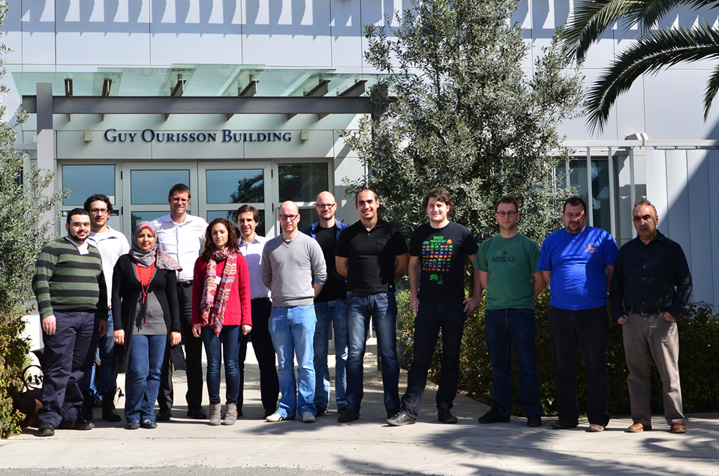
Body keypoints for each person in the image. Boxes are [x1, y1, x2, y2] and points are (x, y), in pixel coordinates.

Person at [387, 188, 479, 426]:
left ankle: (445, 407)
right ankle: (408, 411)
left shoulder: (462, 233)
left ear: (448, 207)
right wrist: (414, 295)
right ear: (426, 208)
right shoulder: (419, 234)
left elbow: (478, 266)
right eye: (431, 205)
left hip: (453, 305)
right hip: (427, 305)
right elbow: (413, 266)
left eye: (439, 205)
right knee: (420, 359)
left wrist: (476, 296)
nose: (435, 209)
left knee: (451, 359)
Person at [609, 199, 692, 434]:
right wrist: (617, 314)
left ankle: (676, 419)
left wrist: (674, 313)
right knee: (636, 375)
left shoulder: (671, 249)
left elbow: (685, 284)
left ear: (656, 219)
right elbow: (616, 287)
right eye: (637, 218)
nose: (642, 222)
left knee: (669, 372)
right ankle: (641, 420)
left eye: (646, 217)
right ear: (633, 223)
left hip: (662, 321)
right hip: (633, 321)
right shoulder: (626, 251)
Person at [538, 196, 618, 432]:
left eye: (578, 214)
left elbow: (614, 270)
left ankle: (597, 418)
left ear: (585, 215)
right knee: (564, 366)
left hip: (593, 312)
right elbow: (545, 273)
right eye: (570, 214)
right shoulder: (552, 240)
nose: (574, 219)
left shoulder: (602, 238)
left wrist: (600, 289)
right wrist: (565, 293)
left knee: (596, 366)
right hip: (560, 313)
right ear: (563, 216)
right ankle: (567, 416)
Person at [33, 208, 108, 437]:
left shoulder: (95, 252)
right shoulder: (53, 248)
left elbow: (101, 286)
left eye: (85, 224)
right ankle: (48, 419)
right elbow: (40, 280)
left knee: (80, 370)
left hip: (90, 318)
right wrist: (47, 313)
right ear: (67, 226)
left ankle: (70, 416)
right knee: (58, 367)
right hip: (61, 317)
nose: (82, 228)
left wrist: (102, 316)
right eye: (77, 224)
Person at [336, 189, 409, 423]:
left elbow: (403, 263)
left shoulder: (392, 231)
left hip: (384, 298)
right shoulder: (348, 234)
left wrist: (384, 281)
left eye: (370, 202)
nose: (366, 206)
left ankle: (392, 406)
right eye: (361, 203)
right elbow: (341, 266)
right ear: (356, 207)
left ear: (377, 203)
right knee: (354, 355)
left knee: (388, 354)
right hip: (356, 299)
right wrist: (360, 281)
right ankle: (352, 407)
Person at [475, 196, 545, 427]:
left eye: (510, 212)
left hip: (522, 313)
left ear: (517, 215)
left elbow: (540, 281)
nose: (506, 216)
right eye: (502, 212)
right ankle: (500, 410)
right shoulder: (487, 247)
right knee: (499, 366)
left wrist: (523, 300)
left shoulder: (528, 246)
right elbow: (484, 281)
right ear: (496, 216)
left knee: (527, 365)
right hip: (495, 313)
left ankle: (532, 411)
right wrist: (501, 298)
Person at [111, 222, 182, 429]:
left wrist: (176, 328)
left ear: (155, 238)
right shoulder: (124, 262)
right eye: (141, 236)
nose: (145, 240)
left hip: (161, 325)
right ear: (135, 237)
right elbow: (116, 296)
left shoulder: (164, 263)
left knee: (156, 372)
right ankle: (132, 413)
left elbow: (173, 299)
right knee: (137, 371)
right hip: (133, 326)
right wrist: (118, 326)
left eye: (149, 236)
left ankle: (148, 413)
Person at [262, 201, 327, 423]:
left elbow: (321, 274)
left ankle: (307, 407)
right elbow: (266, 277)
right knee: (284, 364)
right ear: (278, 219)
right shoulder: (270, 246)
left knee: (306, 363)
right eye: (283, 216)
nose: (288, 220)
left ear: (298, 218)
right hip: (279, 312)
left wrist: (308, 296)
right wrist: (283, 294)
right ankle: (286, 408)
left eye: (292, 216)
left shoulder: (310, 244)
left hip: (305, 311)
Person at [151, 183, 208, 421]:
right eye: (176, 199)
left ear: (189, 201)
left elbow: (210, 251)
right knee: (164, 352)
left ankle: (194, 405)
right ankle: (165, 407)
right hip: (165, 290)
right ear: (169, 199)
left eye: (184, 199)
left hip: (191, 290)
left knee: (194, 351)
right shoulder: (156, 226)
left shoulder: (200, 225)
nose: (180, 203)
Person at [191, 218, 252, 426]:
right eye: (215, 232)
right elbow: (196, 293)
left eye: (222, 232)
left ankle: (232, 407)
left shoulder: (238, 260)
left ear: (229, 235)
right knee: (213, 365)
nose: (218, 236)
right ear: (210, 236)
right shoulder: (202, 262)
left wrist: (247, 320)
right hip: (208, 321)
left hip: (233, 320)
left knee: (233, 365)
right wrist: (196, 321)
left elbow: (245, 291)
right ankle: (215, 407)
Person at [82, 193, 130, 423]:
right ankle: (88, 403)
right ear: (87, 212)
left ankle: (108, 400)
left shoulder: (119, 239)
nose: (98, 213)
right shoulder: (79, 237)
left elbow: (127, 274)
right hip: (86, 309)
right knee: (87, 358)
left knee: (110, 358)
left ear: (109, 213)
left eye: (102, 210)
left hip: (112, 309)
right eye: (94, 210)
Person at [303, 191, 349, 417]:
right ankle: (321, 401)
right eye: (321, 205)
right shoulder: (307, 235)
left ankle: (343, 402)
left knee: (343, 354)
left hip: (342, 299)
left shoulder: (347, 233)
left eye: (329, 204)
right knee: (318, 354)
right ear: (316, 207)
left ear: (335, 206)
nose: (325, 208)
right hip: (316, 302)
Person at [236, 205, 279, 418]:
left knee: (266, 360)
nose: (245, 224)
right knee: (236, 361)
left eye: (249, 220)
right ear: (237, 223)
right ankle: (236, 406)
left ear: (256, 222)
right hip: (236, 308)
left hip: (262, 306)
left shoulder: (267, 245)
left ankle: (270, 406)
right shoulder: (231, 248)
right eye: (241, 220)